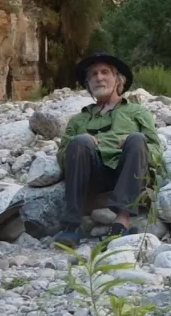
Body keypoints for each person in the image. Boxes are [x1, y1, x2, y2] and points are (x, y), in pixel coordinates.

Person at [52, 53, 163, 248]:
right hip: (93, 173)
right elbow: (62, 157)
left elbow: (155, 148)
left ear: (118, 80)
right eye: (93, 74)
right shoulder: (78, 120)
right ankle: (72, 225)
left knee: (137, 139)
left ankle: (122, 221)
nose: (99, 77)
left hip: (128, 169)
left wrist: (130, 143)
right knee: (79, 142)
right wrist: (83, 142)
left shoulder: (137, 112)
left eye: (105, 72)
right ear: (88, 83)